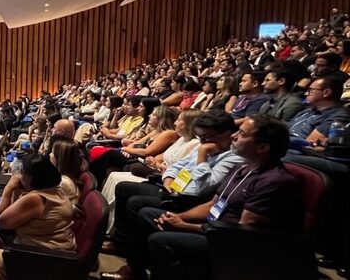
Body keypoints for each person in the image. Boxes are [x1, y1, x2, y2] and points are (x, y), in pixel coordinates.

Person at [103, 115, 303, 280]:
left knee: (160, 240)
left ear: (262, 147)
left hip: (233, 242)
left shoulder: (274, 180)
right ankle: (136, 271)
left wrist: (185, 226)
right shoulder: (243, 168)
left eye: (241, 134)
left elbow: (243, 233)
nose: (234, 136)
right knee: (147, 213)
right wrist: (182, 217)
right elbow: (214, 203)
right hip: (213, 225)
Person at [0, 154, 75, 280]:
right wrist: (17, 190)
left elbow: (1, 220)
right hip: (48, 250)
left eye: (22, 173)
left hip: (46, 259)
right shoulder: (55, 189)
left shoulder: (36, 198)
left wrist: (8, 189)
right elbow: (11, 212)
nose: (19, 177)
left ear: (33, 177)